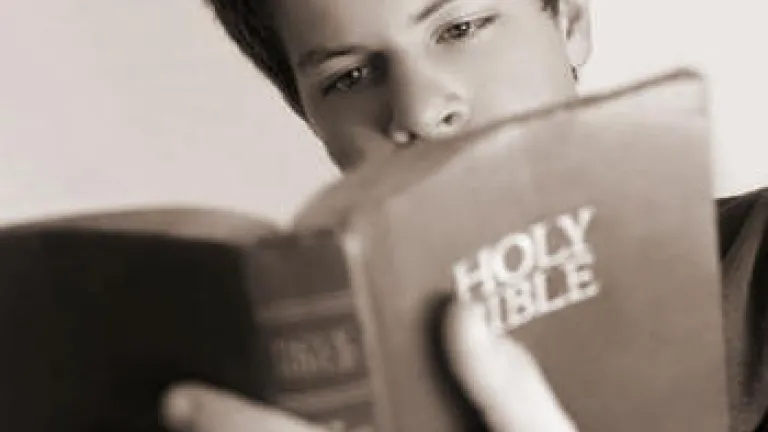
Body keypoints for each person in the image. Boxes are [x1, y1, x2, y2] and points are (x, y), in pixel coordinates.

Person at [159, 0, 768, 430]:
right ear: (309, 117)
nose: (421, 111)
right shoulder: (317, 383)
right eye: (350, 77)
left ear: (570, 19)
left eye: (461, 28)